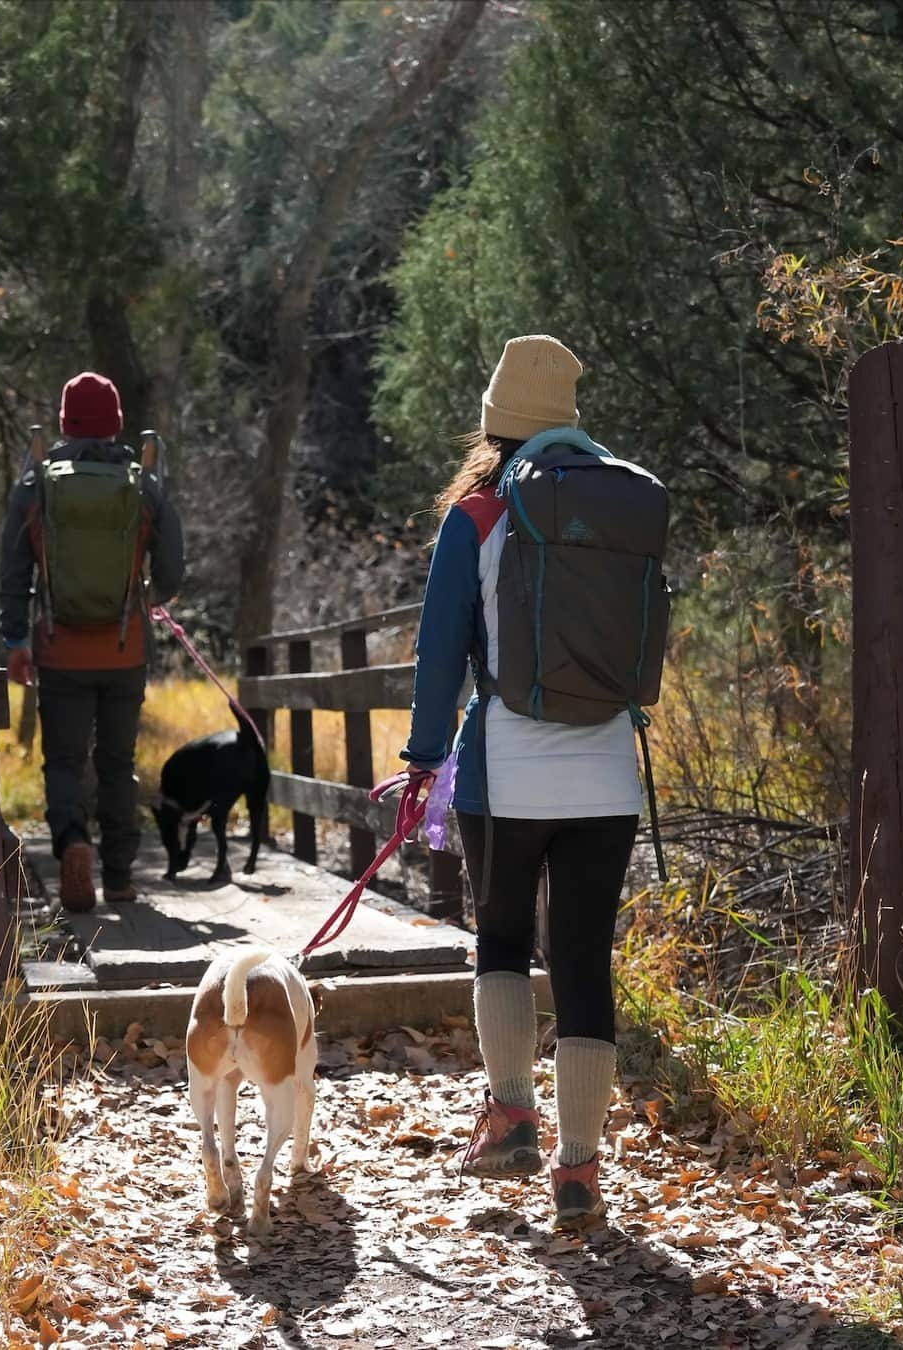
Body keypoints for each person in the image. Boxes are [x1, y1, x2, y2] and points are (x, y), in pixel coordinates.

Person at [400, 335, 641, 1230]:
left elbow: (438, 651)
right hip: (609, 774)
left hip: (506, 774)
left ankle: (510, 1117)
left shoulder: (477, 516)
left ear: (494, 424)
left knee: (502, 940)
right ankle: (578, 1175)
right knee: (583, 961)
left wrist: (424, 757)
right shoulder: (623, 507)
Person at [0, 372, 184, 912]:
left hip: (59, 649)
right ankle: (121, 877)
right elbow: (172, 570)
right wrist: (148, 594)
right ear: (116, 423)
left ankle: (73, 843)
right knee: (116, 761)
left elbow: (12, 574)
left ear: (63, 422)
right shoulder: (143, 485)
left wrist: (15, 641)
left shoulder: (37, 486)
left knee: (62, 761)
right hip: (125, 650)